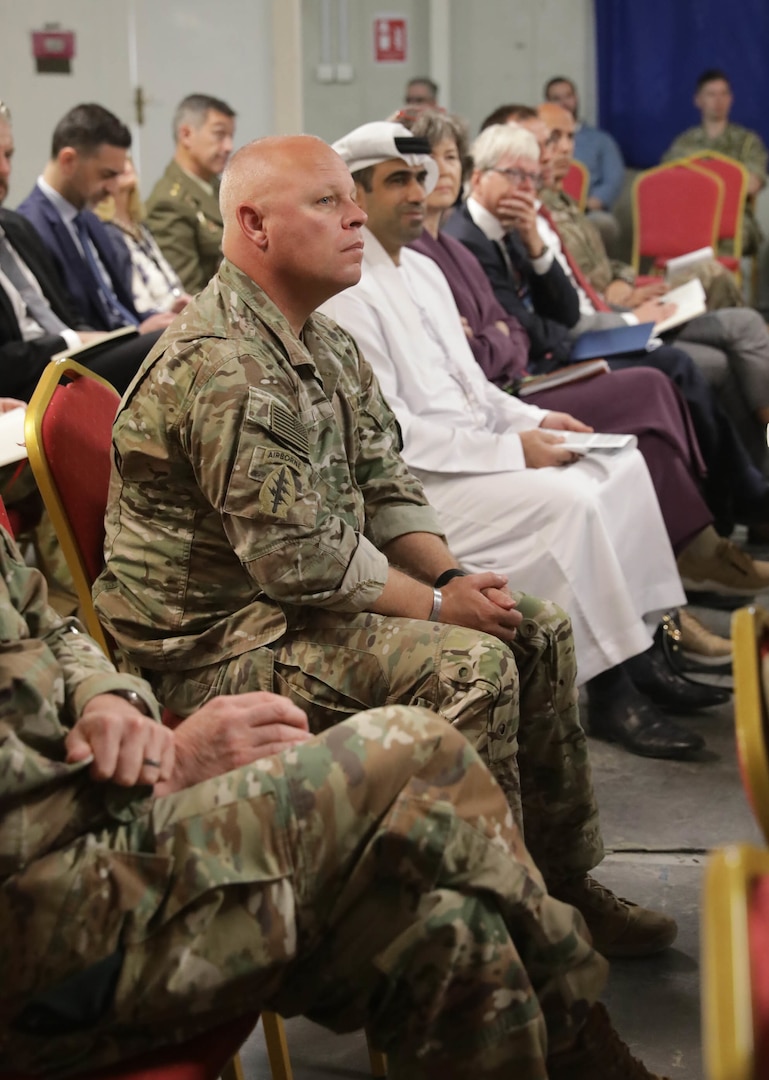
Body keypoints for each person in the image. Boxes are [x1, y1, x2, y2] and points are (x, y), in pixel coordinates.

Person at [94, 132, 679, 951]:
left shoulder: (321, 336)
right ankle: (485, 934)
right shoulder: (224, 366)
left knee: (531, 626)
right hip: (217, 645)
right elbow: (302, 561)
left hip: (295, 612)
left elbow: (384, 480)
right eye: (327, 202)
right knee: (467, 663)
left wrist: (454, 576)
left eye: (351, 198)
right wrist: (440, 608)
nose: (355, 217)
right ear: (255, 226)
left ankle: (557, 881)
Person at [0, 519, 669, 1080]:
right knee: (411, 745)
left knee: (451, 929)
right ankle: (584, 1041)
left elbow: (45, 623)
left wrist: (106, 697)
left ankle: (574, 1023)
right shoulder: (224, 364)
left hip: (97, 839)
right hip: (41, 910)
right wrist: (166, 767)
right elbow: (296, 552)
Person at [323, 120, 731, 761]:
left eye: (417, 177)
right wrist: (514, 451)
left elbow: (477, 388)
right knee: (571, 502)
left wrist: (532, 423)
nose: (414, 191)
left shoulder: (424, 272)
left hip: (475, 448)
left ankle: (647, 651)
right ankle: (609, 687)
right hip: (427, 480)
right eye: (395, 179)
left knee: (620, 468)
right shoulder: (349, 291)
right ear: (356, 194)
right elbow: (393, 435)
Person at [399, 107, 732, 667]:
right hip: (506, 400)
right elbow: (499, 347)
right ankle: (635, 657)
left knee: (631, 443)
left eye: (450, 157)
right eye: (417, 166)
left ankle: (664, 620)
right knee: (650, 390)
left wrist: (526, 256)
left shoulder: (452, 250)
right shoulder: (439, 245)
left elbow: (524, 327)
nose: (437, 173)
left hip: (513, 388)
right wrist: (499, 344)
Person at [443, 122, 769, 548]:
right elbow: (527, 328)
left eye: (531, 178)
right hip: (535, 370)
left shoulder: (515, 226)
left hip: (567, 338)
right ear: (480, 175)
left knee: (686, 361)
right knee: (668, 370)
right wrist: (581, 337)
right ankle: (726, 512)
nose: (525, 188)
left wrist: (537, 249)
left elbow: (560, 306)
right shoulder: (468, 237)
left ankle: (726, 511)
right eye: (514, 175)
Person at [0, 103, 167, 399]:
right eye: (107, 174)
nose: (5, 168)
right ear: (68, 161)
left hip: (78, 353)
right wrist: (81, 339)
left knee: (185, 333)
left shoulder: (17, 227)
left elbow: (67, 313)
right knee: (170, 342)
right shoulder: (34, 220)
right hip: (42, 375)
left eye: (9, 155)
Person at [662, 68, 767, 257]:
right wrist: (727, 179)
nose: (718, 101)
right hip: (690, 216)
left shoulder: (747, 142)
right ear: (698, 100)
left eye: (724, 94)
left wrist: (701, 183)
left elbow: (752, 184)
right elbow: (666, 183)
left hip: (735, 217)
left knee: (731, 238)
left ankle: (720, 285)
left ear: (731, 99)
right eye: (711, 94)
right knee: (670, 235)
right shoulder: (684, 143)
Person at [145, 93, 236, 294]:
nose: (228, 146)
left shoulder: (218, 187)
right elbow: (189, 295)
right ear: (186, 135)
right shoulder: (169, 202)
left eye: (231, 136)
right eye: (219, 135)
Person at [96, 155, 191, 314]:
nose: (125, 166)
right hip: (153, 323)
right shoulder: (105, 232)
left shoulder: (138, 225)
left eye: (127, 160)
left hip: (176, 312)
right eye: (116, 165)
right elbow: (133, 297)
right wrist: (169, 310)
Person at [543, 76, 625, 254]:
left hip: (586, 211)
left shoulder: (601, 140)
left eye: (568, 96)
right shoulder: (539, 140)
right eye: (556, 98)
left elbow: (613, 179)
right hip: (548, 207)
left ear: (576, 98)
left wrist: (589, 204)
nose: (564, 102)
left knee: (603, 223)